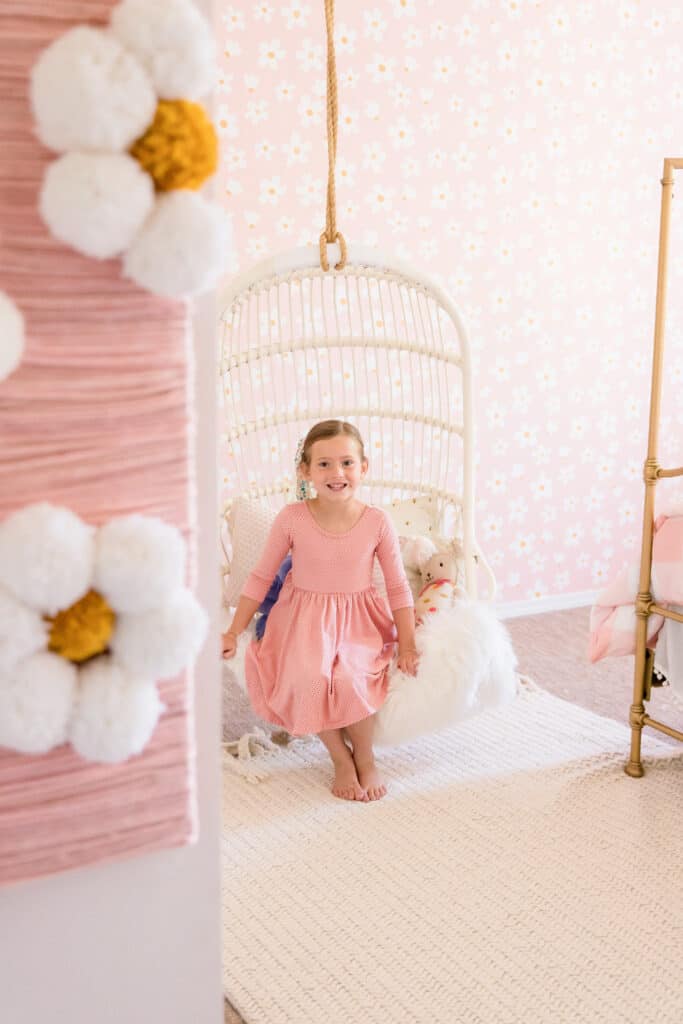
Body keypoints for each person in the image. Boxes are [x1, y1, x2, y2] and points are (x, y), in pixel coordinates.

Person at [222, 419, 418, 802]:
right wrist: (232, 630)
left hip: (358, 618)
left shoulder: (377, 521)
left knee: (351, 679)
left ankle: (364, 753)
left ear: (364, 468)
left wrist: (407, 643)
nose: (336, 473)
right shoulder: (293, 518)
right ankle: (340, 757)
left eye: (346, 462)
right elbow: (261, 577)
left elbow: (397, 586)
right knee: (309, 678)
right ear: (305, 471)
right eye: (324, 464)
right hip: (301, 618)